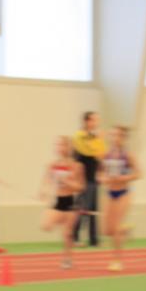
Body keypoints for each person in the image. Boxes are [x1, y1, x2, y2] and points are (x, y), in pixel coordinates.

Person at [99, 126, 141, 271]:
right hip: (109, 192)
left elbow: (139, 173)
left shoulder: (128, 155)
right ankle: (126, 230)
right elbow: (99, 174)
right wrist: (103, 179)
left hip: (124, 193)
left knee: (116, 227)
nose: (114, 138)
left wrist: (123, 178)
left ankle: (117, 260)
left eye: (118, 135)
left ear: (123, 138)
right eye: (112, 135)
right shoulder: (106, 155)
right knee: (107, 231)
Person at [40, 136, 85, 270]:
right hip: (58, 201)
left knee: (67, 234)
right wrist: (43, 191)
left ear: (69, 148)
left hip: (71, 201)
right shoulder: (52, 165)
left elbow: (81, 187)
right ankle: (62, 221)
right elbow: (46, 180)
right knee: (46, 226)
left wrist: (69, 183)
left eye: (63, 145)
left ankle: (67, 259)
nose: (60, 148)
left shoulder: (77, 166)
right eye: (58, 145)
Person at [72, 111, 106, 247]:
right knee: (83, 208)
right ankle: (75, 237)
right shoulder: (80, 136)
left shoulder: (95, 138)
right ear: (86, 121)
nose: (96, 123)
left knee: (93, 209)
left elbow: (100, 156)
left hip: (93, 178)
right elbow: (80, 156)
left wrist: (101, 172)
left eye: (97, 120)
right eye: (94, 120)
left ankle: (93, 239)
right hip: (84, 180)